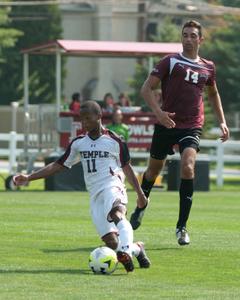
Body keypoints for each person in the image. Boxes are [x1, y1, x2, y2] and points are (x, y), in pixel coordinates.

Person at [13, 100, 150, 272]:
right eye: (81, 119)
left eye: (87, 118)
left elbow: (127, 168)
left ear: (99, 117)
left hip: (112, 186)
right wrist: (29, 177)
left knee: (117, 213)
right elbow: (58, 165)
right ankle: (136, 248)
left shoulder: (115, 140)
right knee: (112, 243)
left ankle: (126, 251)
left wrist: (140, 194)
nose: (84, 123)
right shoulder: (78, 143)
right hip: (95, 195)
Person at [130, 20, 230, 246]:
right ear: (181, 38)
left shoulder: (208, 67)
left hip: (191, 125)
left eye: (193, 35)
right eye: (185, 35)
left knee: (188, 166)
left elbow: (213, 94)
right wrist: (159, 113)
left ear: (200, 40)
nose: (188, 39)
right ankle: (140, 206)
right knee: (152, 172)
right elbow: (146, 88)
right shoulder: (170, 61)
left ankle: (181, 227)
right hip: (167, 124)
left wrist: (222, 121)